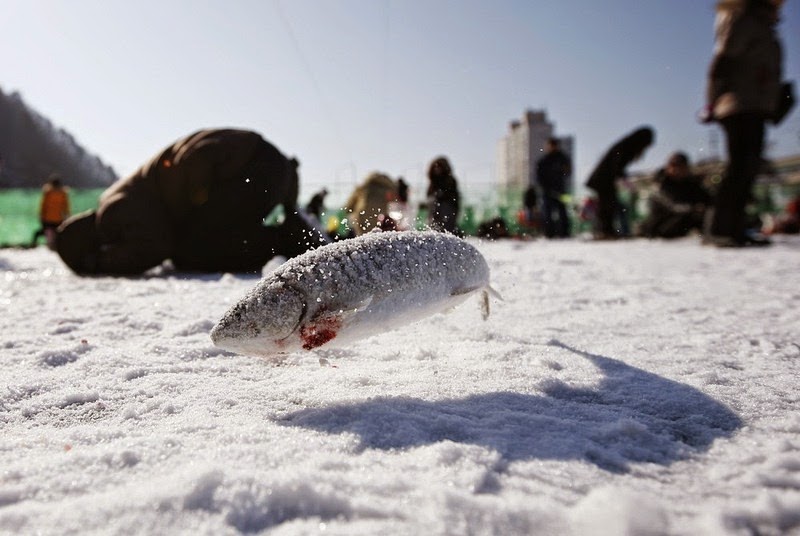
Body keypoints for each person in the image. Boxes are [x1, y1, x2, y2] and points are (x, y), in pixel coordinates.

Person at [55, 128, 327, 275]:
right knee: (207, 239)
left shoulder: (112, 211)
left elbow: (154, 246)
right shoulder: (123, 194)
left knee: (192, 253)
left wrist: (102, 265)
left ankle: (288, 239)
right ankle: (294, 234)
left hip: (241, 169)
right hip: (265, 164)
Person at [703, 0, 785, 247]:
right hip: (737, 104)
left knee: (749, 168)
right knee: (739, 167)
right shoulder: (745, 21)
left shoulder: (765, 26)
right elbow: (723, 61)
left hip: (757, 106)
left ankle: (735, 228)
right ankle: (718, 228)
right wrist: (713, 101)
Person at [586, 126, 654, 239]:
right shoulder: (626, 146)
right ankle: (604, 231)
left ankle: (605, 231)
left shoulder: (626, 145)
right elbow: (616, 164)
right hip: (603, 179)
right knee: (607, 205)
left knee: (608, 205)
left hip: (605, 179)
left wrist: (623, 176)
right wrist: (623, 177)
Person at [638, 152, 711, 239]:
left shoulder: (691, 184)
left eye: (681, 166)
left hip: (683, 223)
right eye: (673, 165)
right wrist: (695, 208)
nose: (677, 169)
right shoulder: (660, 185)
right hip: (661, 227)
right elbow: (673, 206)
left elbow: (708, 200)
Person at [535, 137, 572, 238]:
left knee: (563, 211)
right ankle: (549, 233)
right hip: (547, 191)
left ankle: (564, 233)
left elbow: (568, 171)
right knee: (547, 212)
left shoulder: (562, 158)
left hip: (561, 191)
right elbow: (539, 176)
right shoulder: (544, 160)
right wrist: (544, 187)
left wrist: (565, 170)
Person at [31, 175, 70, 249]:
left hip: (50, 219)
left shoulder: (50, 192)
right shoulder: (57, 193)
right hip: (55, 219)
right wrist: (67, 215)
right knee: (53, 234)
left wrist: (41, 215)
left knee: (47, 233)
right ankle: (50, 245)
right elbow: (66, 206)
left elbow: (43, 205)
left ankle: (36, 244)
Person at [426, 156, 460, 233]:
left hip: (447, 209)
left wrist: (441, 196)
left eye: (439, 166)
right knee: (434, 225)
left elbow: (453, 197)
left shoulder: (450, 181)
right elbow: (428, 196)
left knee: (446, 226)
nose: (437, 169)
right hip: (434, 210)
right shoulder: (433, 183)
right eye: (435, 167)